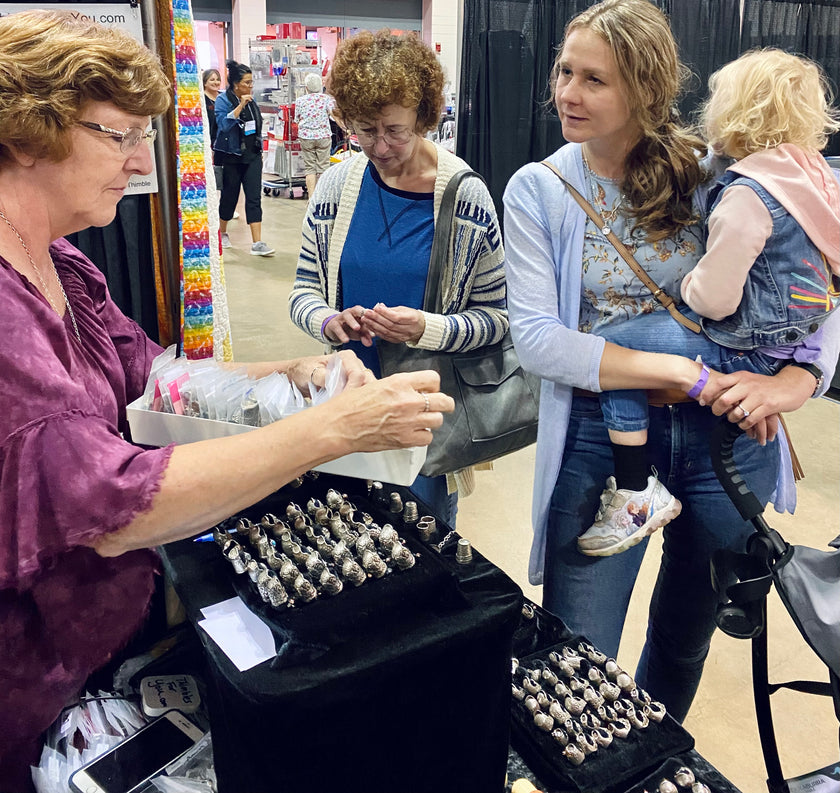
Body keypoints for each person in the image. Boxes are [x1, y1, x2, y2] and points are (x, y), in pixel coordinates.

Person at [0, 11, 453, 790]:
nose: (141, 160)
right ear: (29, 129)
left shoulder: (62, 262)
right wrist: (332, 429)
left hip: (96, 654)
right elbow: (115, 512)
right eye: (118, 135)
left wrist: (300, 369)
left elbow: (155, 374)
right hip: (29, 684)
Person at [502, 0, 840, 723]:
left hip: (728, 441)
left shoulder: (717, 172)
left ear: (645, 91)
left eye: (595, 79)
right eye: (565, 71)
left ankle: (649, 761)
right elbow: (536, 339)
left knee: (683, 642)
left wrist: (797, 379)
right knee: (574, 651)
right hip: (606, 440)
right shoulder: (540, 189)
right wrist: (681, 373)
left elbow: (822, 284)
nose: (567, 92)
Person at [575, 47, 840, 557]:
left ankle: (633, 487)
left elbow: (716, 300)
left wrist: (690, 284)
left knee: (611, 346)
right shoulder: (814, 178)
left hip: (740, 342)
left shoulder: (749, 192)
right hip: (786, 343)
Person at [289, 30, 507, 525]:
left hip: (423, 427)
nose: (380, 147)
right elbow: (303, 290)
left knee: (421, 553)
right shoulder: (335, 187)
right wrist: (328, 322)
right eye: (365, 131)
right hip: (344, 408)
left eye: (395, 131)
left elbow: (499, 318)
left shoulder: (464, 198)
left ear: (425, 118)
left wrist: (427, 328)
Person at [214, 60, 273, 256]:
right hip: (232, 156)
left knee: (254, 198)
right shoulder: (224, 100)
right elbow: (223, 125)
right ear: (236, 84)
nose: (250, 86)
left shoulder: (251, 100)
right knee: (229, 198)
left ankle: (257, 243)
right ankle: (222, 232)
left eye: (251, 82)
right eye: (247, 82)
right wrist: (240, 106)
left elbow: (256, 124)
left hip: (252, 156)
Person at [295, 72, 336, 196]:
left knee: (310, 168)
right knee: (323, 167)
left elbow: (297, 119)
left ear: (306, 87)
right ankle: (323, 196)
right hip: (323, 136)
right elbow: (333, 116)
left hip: (306, 137)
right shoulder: (326, 99)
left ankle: (311, 198)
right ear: (320, 86)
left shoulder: (300, 101)